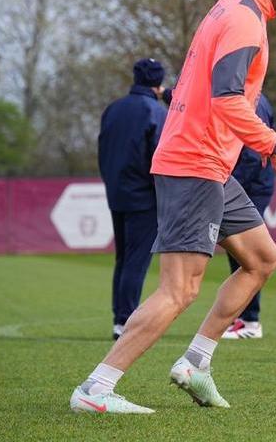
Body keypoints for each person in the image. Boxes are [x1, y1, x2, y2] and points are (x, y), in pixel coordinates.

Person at [70, 0, 276, 415]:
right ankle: (96, 386)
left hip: (210, 163)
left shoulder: (229, 5)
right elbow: (226, 98)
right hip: (194, 164)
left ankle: (196, 363)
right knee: (180, 290)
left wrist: (253, 143)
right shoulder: (244, 20)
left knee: (262, 259)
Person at [98, 57, 168, 341]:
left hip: (116, 192)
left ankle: (119, 317)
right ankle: (125, 320)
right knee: (136, 261)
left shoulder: (113, 109)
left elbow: (103, 150)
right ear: (158, 82)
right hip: (144, 196)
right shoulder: (156, 111)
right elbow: (160, 157)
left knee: (123, 258)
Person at [222, 92, 276, 340]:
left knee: (248, 254)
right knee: (242, 253)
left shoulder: (251, 102)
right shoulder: (250, 97)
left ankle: (250, 321)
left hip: (250, 186)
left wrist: (230, 187)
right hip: (251, 185)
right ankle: (243, 318)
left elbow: (253, 153)